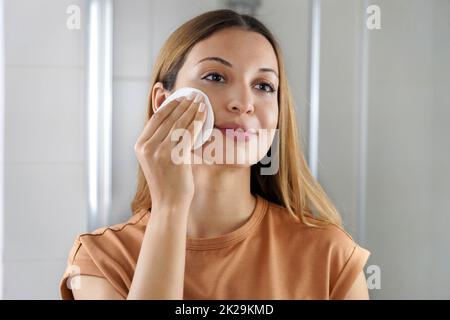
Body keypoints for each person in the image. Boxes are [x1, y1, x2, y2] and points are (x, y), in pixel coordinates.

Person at [59, 9, 370, 300]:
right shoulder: (102, 260)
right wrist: (170, 207)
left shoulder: (331, 256)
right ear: (162, 101)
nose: (244, 102)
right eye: (216, 77)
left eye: (263, 85)